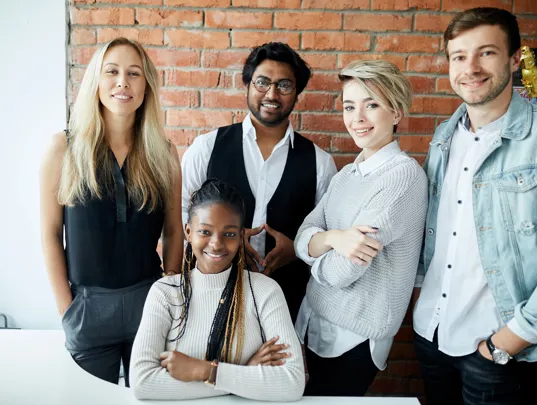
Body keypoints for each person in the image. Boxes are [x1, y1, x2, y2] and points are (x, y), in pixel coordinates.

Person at [412, 7, 537, 405]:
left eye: (486, 53)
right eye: (459, 56)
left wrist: (508, 341)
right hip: (432, 334)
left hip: (501, 349)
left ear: (514, 58)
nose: (471, 67)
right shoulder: (443, 137)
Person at [39, 37, 183, 386]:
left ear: (146, 85)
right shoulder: (65, 148)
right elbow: (49, 233)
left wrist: (169, 295)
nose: (123, 82)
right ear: (96, 81)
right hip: (88, 307)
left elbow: (175, 230)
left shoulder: (163, 152)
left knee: (148, 397)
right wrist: (67, 309)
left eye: (134, 73)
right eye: (112, 72)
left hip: (148, 302)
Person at [294, 60, 428, 396]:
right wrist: (334, 238)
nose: (358, 118)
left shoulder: (403, 177)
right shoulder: (347, 175)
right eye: (350, 106)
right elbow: (302, 235)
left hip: (353, 334)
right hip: (316, 323)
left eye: (372, 105)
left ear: (397, 112)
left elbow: (340, 273)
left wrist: (316, 249)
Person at [181, 42, 337, 323]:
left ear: (297, 93)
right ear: (248, 84)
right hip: (210, 297)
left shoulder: (320, 162)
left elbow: (329, 233)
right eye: (262, 82)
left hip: (285, 303)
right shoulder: (206, 147)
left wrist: (299, 249)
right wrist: (218, 241)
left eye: (285, 85)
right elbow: (180, 212)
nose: (272, 94)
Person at [130, 179, 305, 401]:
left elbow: (292, 382)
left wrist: (206, 371)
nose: (216, 244)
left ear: (242, 237)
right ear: (188, 232)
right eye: (205, 232)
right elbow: (143, 383)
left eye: (229, 234)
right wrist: (245, 374)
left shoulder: (265, 291)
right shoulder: (165, 293)